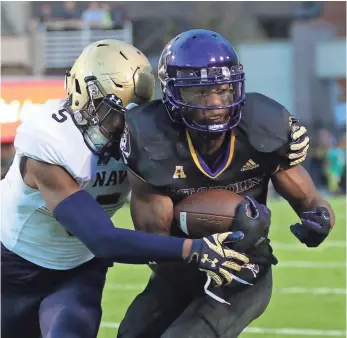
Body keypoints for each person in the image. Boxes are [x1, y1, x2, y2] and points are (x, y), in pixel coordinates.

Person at [1, 39, 255, 338]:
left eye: (136, 113)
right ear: (87, 97)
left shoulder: (142, 138)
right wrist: (194, 249)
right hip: (12, 265)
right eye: (118, 112)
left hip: (77, 270)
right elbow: (102, 238)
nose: (128, 124)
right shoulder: (51, 141)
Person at [117, 29, 335, 338]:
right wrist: (200, 254)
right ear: (172, 95)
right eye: (200, 93)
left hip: (245, 267)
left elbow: (311, 201)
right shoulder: (151, 139)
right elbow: (155, 242)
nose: (215, 103)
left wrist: (321, 220)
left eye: (222, 90)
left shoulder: (264, 125)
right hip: (181, 261)